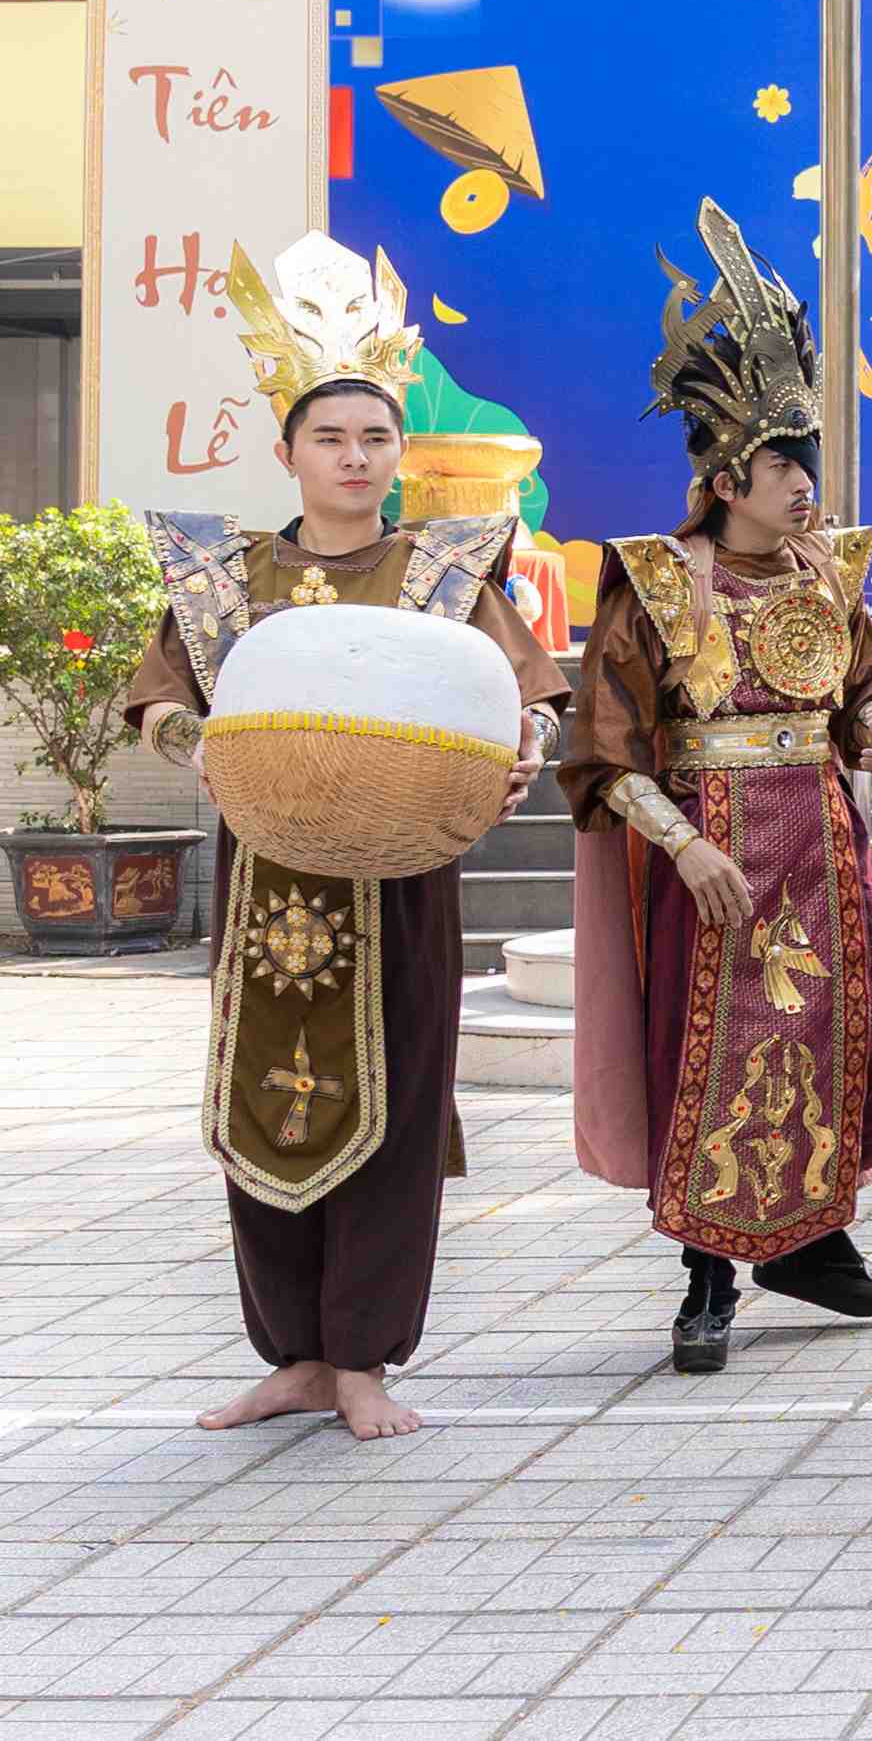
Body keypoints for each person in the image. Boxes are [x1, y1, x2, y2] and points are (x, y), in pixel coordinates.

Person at [120, 233, 567, 1440]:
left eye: (376, 436)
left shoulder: (445, 570)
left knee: (398, 1105)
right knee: (259, 1103)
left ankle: (363, 1357)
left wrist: (520, 749)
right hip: (265, 878)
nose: (356, 456)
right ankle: (296, 1357)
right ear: (289, 453)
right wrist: (198, 746)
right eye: (331, 436)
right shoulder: (224, 577)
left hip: (401, 882)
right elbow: (160, 701)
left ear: (398, 452)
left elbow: (526, 695)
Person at [557, 201, 872, 1375]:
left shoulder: (829, 571)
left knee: (846, 1032)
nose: (805, 483)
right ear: (723, 478)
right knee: (706, 1048)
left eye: (808, 461)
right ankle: (706, 1274)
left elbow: (859, 691)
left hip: (819, 842)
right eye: (782, 465)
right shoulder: (656, 584)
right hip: (708, 850)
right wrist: (681, 844)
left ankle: (812, 1241)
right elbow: (603, 749)